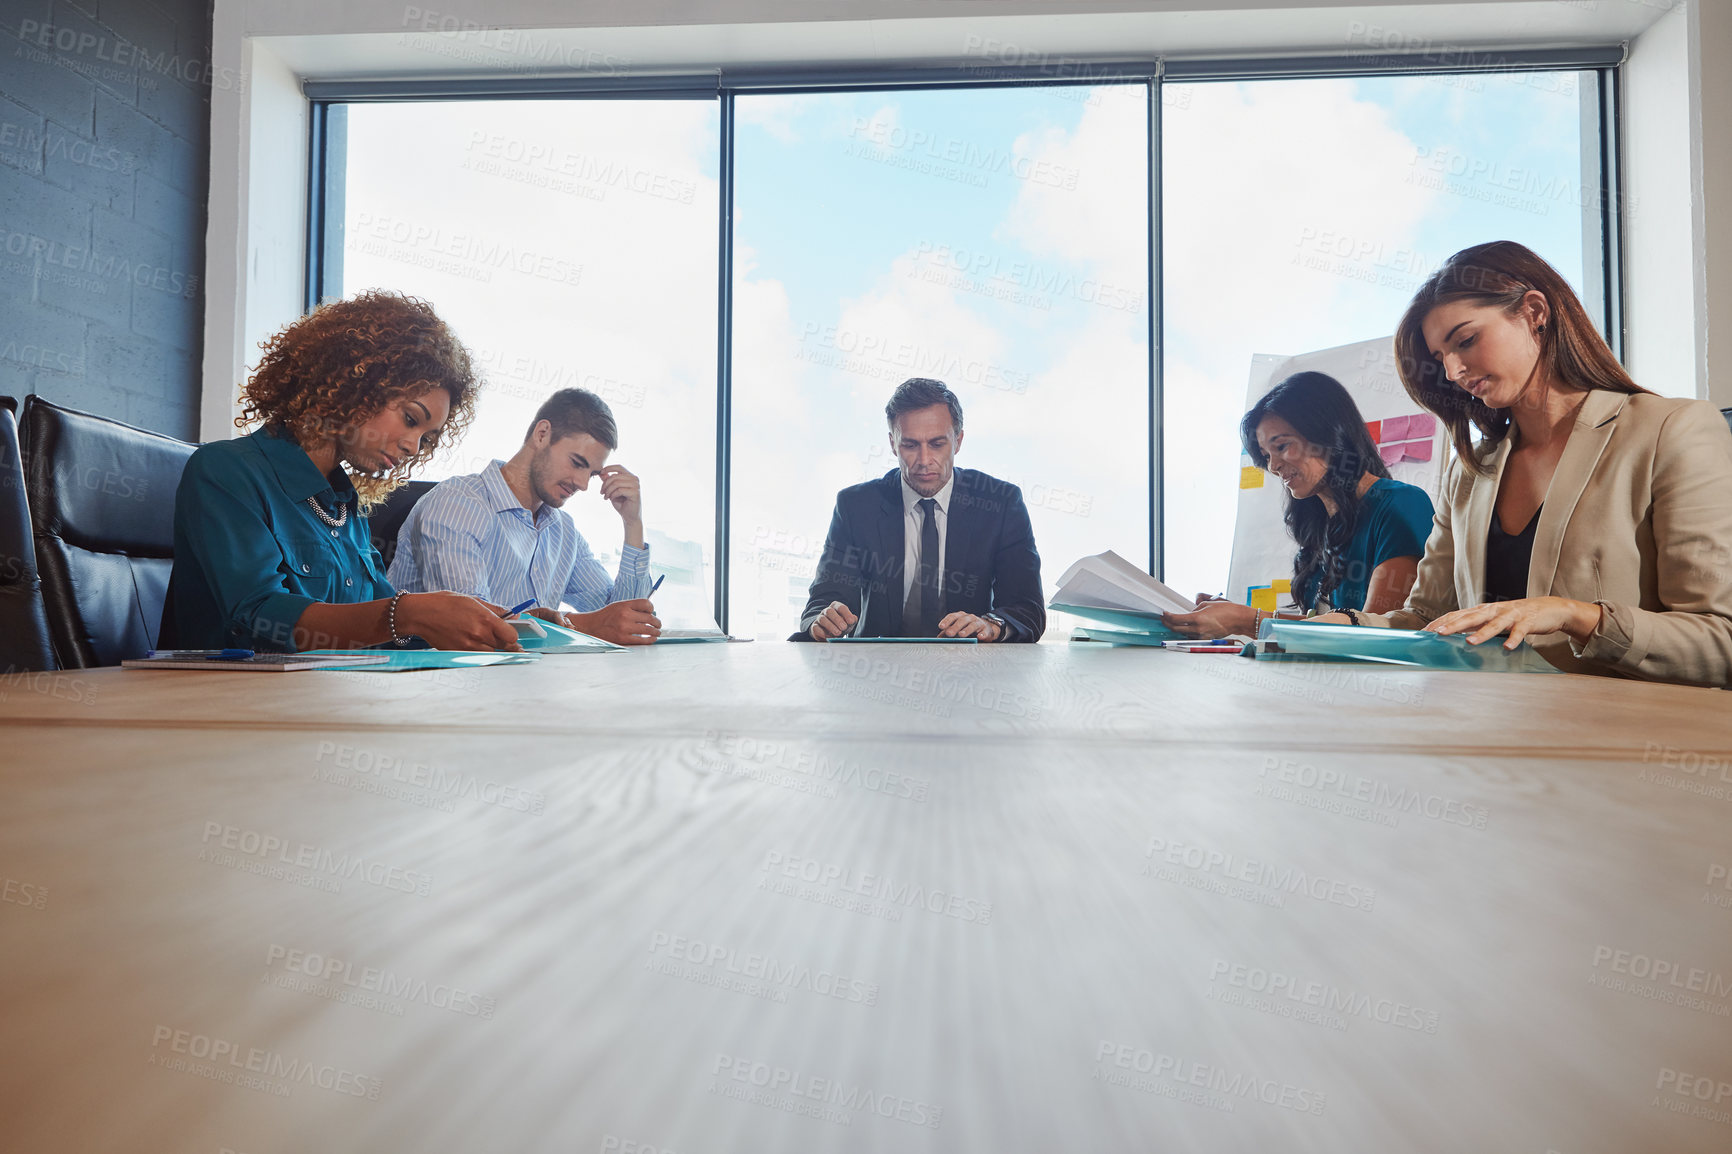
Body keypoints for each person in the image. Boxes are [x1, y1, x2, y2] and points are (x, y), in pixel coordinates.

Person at [1329, 240, 1732, 686]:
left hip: (1621, 739)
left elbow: (1719, 642)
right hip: (1485, 731)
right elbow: (1427, 619)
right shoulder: (1466, 473)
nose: (1453, 371)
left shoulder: (1671, 429)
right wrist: (1334, 627)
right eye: (1441, 358)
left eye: (1465, 340)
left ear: (1535, 312)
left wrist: (1575, 616)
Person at [159, 291, 520, 653]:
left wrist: (494, 623)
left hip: (325, 700)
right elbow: (256, 619)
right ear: (355, 382)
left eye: (426, 438)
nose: (413, 446)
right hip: (225, 703)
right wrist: (411, 613)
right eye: (410, 419)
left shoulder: (346, 507)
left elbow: (385, 628)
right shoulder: (226, 472)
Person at [1163, 372, 1435, 639]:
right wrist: (1235, 616)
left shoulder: (1401, 503)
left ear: (1328, 433)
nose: (1273, 465)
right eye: (1266, 455)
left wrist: (1246, 621)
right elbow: (1321, 627)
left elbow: (1375, 634)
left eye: (1281, 446)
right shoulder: (1321, 528)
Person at [388, 388, 661, 645]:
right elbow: (472, 629)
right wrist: (585, 626)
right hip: (436, 682)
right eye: (577, 463)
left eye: (590, 473)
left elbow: (625, 622)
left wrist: (632, 523)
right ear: (542, 434)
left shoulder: (563, 531)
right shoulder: (457, 506)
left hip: (524, 685)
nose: (582, 483)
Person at [794, 378, 1045, 642]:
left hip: (969, 667)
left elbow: (1027, 609)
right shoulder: (855, 507)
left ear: (958, 441)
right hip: (876, 667)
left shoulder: (1002, 504)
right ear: (893, 444)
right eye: (910, 445)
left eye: (937, 444)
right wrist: (823, 621)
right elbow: (824, 599)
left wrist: (991, 625)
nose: (924, 461)